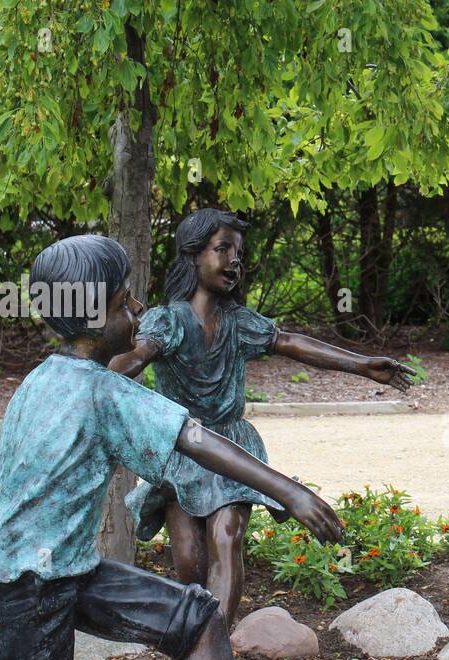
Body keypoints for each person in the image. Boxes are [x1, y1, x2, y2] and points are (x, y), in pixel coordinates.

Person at [0, 235, 344, 660]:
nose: (138, 309)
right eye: (125, 301)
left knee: (196, 619)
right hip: (28, 581)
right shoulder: (95, 389)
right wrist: (291, 491)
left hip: (69, 570)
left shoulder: (44, 380)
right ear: (98, 317)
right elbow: (192, 436)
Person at [110, 208, 413, 628]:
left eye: (238, 251)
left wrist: (361, 365)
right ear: (193, 255)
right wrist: (98, 379)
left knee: (225, 536)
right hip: (182, 451)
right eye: (223, 249)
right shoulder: (169, 321)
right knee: (188, 557)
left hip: (233, 447)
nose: (234, 259)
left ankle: (213, 645)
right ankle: (196, 641)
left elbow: (289, 342)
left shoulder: (238, 321)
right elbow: (138, 353)